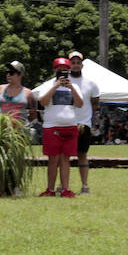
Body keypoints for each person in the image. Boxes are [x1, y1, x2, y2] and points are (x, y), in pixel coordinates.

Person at [33, 57, 85, 197]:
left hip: (70, 126)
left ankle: (65, 189)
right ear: (54, 70)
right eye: (59, 69)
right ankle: (50, 189)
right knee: (53, 159)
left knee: (65, 159)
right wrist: (55, 86)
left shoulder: (75, 86)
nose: (62, 72)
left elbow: (80, 104)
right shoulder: (47, 85)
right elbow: (42, 102)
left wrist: (72, 87)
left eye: (64, 70)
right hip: (51, 126)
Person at [66, 51, 101, 194]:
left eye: (77, 63)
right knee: (64, 157)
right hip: (66, 123)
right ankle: (64, 186)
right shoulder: (62, 81)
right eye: (72, 63)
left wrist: (88, 120)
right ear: (69, 65)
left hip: (84, 124)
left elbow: (95, 104)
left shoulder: (91, 84)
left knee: (82, 155)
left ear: (82, 65)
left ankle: (85, 185)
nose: (75, 65)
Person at [0, 60, 38, 124]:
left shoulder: (28, 93)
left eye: (11, 72)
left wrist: (21, 122)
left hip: (20, 132)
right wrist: (1, 120)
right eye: (7, 72)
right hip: (2, 131)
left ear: (20, 74)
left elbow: (33, 114)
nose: (8, 75)